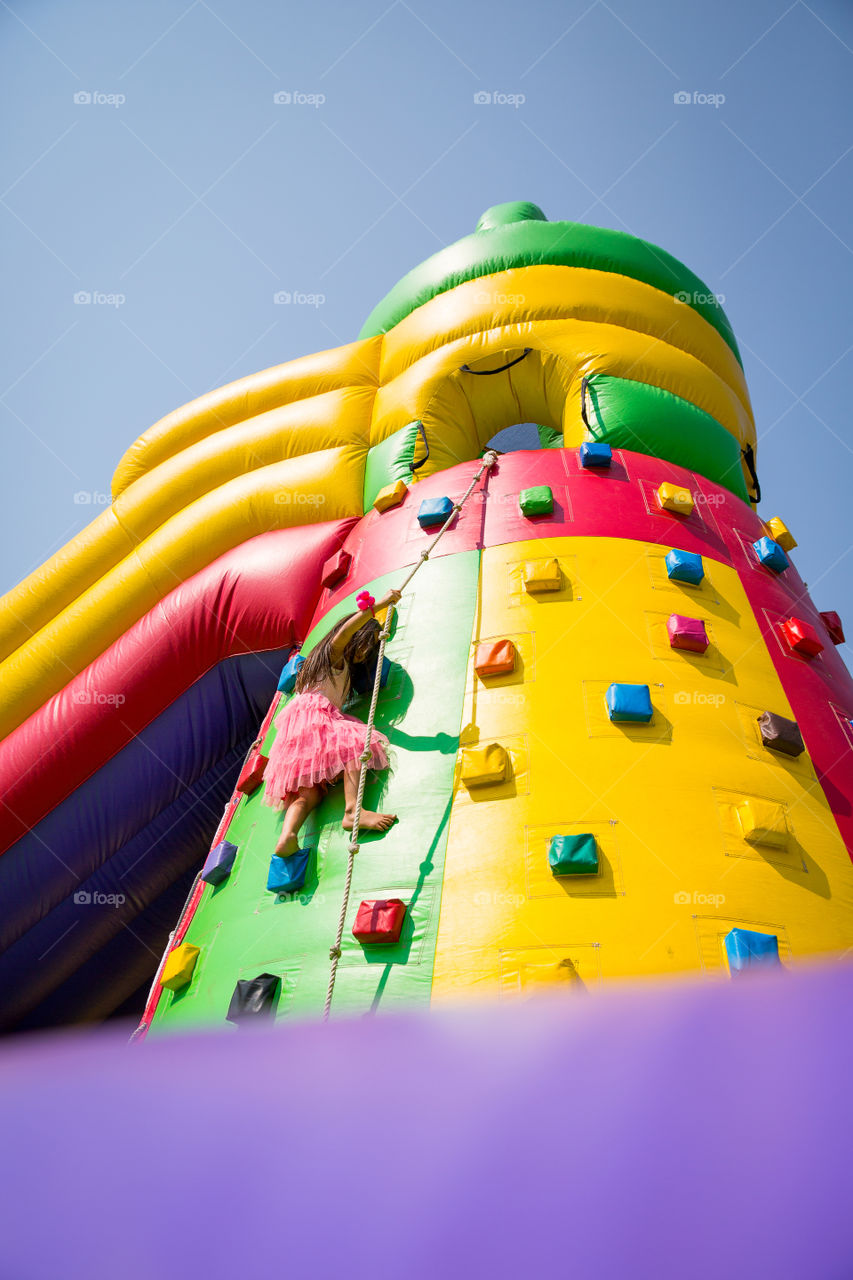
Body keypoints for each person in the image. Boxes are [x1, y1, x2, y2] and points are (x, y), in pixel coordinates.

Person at [263, 589, 401, 857]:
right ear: (355, 639)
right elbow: (344, 634)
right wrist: (379, 606)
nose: (368, 650)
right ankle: (352, 810)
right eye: (367, 643)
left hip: (297, 732)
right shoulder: (333, 654)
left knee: (307, 793)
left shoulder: (329, 666)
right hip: (315, 717)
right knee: (359, 741)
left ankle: (288, 835)